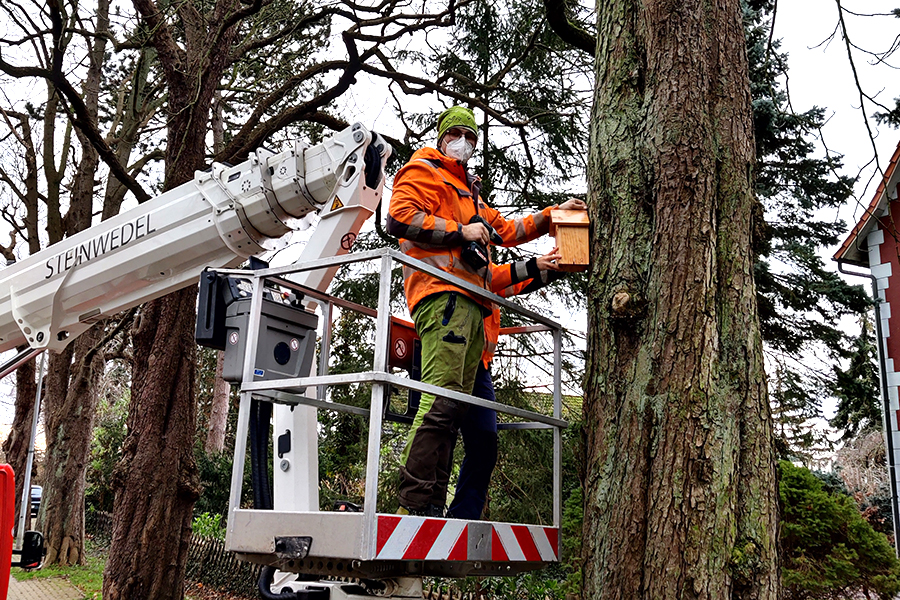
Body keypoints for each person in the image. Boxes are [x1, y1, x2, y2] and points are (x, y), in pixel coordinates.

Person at [386, 104, 586, 516]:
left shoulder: (470, 195)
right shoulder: (424, 170)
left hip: (470, 310)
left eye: (471, 137)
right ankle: (413, 506)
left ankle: (440, 511)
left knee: (460, 416)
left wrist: (552, 219)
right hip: (442, 299)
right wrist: (461, 231)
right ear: (442, 137)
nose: (463, 142)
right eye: (456, 134)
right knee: (440, 404)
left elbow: (507, 235)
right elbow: (399, 220)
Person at [447, 249, 566, 520]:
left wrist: (556, 269)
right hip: (450, 356)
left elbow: (514, 284)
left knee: (485, 444)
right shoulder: (459, 267)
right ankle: (427, 508)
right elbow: (499, 277)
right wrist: (535, 264)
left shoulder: (487, 275)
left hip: (479, 367)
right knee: (442, 436)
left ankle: (463, 516)